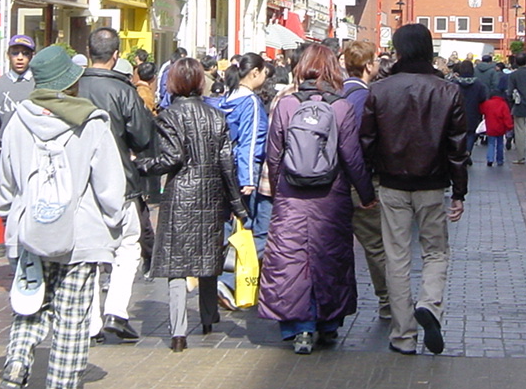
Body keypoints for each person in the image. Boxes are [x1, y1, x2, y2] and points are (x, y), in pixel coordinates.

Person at [0, 46, 126, 389]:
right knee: (71, 313)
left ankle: (18, 360)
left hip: (31, 228)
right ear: (70, 82)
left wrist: (8, 211)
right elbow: (109, 183)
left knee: (30, 303)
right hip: (80, 231)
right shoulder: (91, 122)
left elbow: (6, 179)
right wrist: (114, 219)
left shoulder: (18, 120)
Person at [259, 44, 374, 354]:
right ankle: (327, 324)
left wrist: (280, 185)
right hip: (331, 195)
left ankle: (299, 328)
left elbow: (273, 154)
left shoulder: (286, 105)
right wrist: (366, 194)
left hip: (292, 196)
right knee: (329, 258)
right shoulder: (341, 107)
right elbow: (351, 156)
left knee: (292, 259)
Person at [360, 23, 467, 355]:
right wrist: (460, 192)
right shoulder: (448, 90)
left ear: (399, 50)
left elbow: (366, 142)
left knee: (397, 256)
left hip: (391, 184)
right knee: (436, 251)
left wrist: (368, 186)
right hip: (433, 185)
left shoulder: (379, 90)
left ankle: (403, 334)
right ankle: (430, 304)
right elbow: (458, 146)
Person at [148, 58, 247, 352]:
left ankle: (178, 333)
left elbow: (170, 158)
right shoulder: (216, 117)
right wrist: (237, 203)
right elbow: (227, 164)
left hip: (181, 194)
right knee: (208, 257)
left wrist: (140, 166)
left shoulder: (168, 116)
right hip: (211, 192)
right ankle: (208, 316)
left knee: (177, 264)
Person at [76, 27, 154, 344]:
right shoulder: (124, 92)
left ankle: (91, 319)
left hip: (79, 180)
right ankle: (116, 312)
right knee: (127, 245)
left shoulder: (72, 87)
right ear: (116, 55)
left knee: (88, 251)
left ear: (89, 50)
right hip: (120, 178)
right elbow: (144, 136)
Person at [341, 41, 390, 319]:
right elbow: (362, 145)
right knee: (376, 244)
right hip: (360, 183)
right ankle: (387, 300)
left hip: (331, 182)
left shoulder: (336, 93)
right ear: (369, 65)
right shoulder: (364, 98)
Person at [220, 52, 272, 259]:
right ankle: (235, 276)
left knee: (229, 222)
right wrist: (248, 178)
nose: (266, 79)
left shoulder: (227, 99)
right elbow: (250, 143)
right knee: (248, 224)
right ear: (254, 72)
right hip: (247, 169)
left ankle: (218, 270)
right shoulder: (250, 101)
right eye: (264, 73)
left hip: (227, 166)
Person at [0, 35, 37, 150]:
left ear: (32, 56)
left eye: (25, 53)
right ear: (8, 55)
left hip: (34, 147)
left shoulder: (39, 85)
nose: (20, 58)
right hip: (5, 148)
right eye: (15, 53)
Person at [452, 60, 488, 165]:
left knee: (458, 134)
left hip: (457, 112)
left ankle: (461, 152)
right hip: (473, 112)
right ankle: (468, 152)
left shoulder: (454, 84)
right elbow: (483, 98)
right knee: (471, 134)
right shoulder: (479, 84)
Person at [479, 89, 513, 167]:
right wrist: (509, 126)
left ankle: (490, 159)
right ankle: (499, 160)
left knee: (491, 144)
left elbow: (481, 110)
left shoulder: (488, 103)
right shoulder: (503, 104)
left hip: (490, 127)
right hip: (500, 128)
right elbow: (507, 117)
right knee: (500, 144)